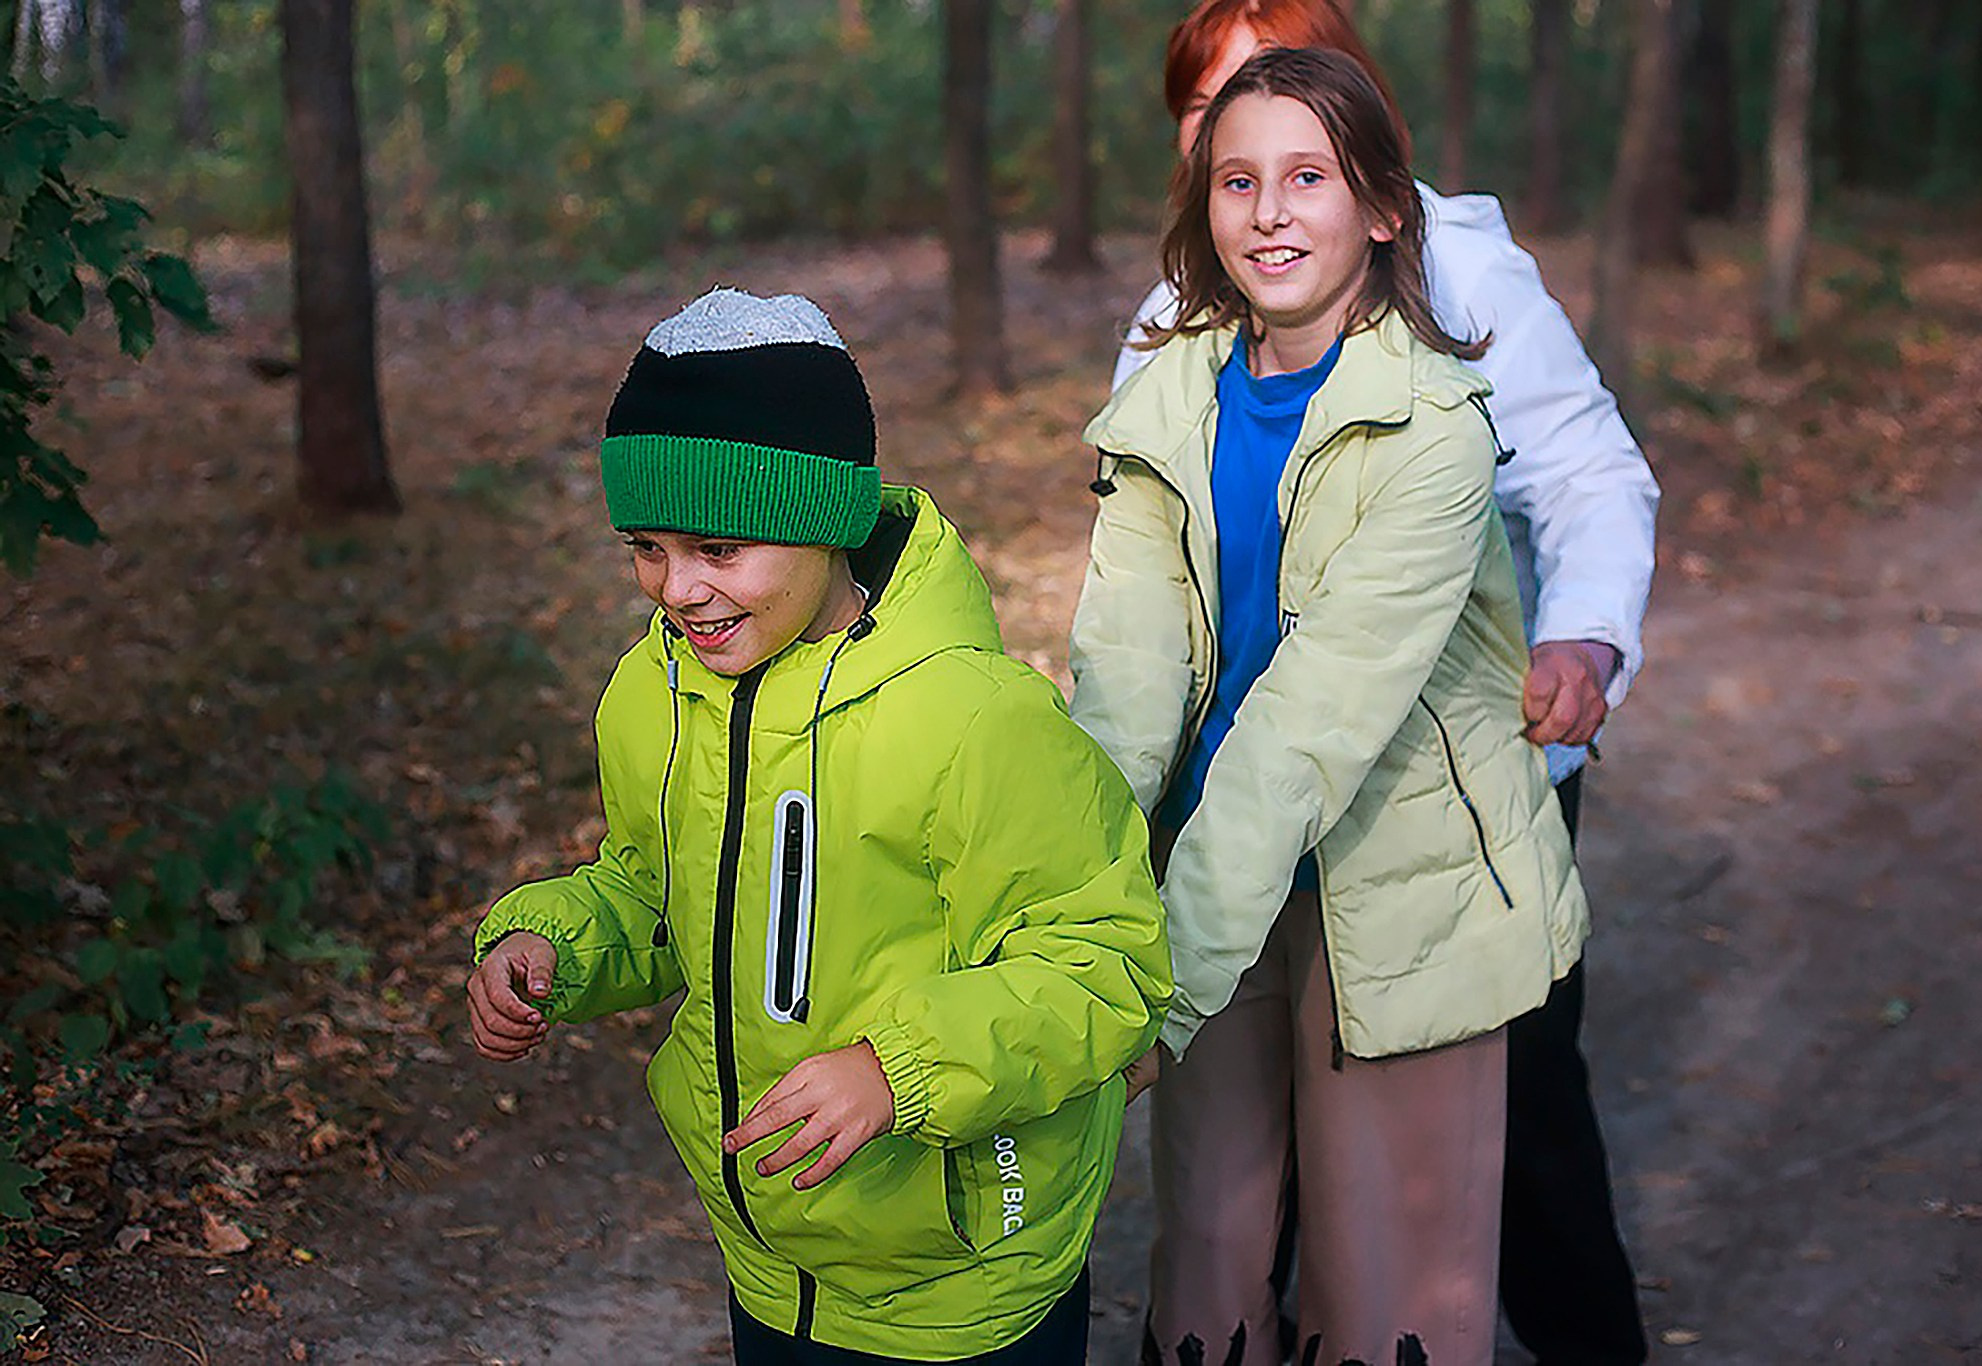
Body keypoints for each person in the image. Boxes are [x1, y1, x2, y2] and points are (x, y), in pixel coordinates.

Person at [466, 289, 1172, 1365]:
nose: (677, 589)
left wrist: (898, 1070)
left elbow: (1105, 962)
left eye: (717, 548)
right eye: (645, 548)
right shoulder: (652, 696)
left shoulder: (972, 719)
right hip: (768, 1261)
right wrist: (552, 943)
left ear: (826, 520)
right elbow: (656, 891)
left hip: (961, 1283)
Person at [1111, 4, 1659, 1363]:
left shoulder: (1455, 284)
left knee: (1498, 1145)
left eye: (1298, 147)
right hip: (1233, 831)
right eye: (1213, 118)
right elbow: (1138, 638)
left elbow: (1587, 475)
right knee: (1238, 1208)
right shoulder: (1175, 334)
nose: (1261, 185)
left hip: (1438, 791)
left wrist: (1582, 637)